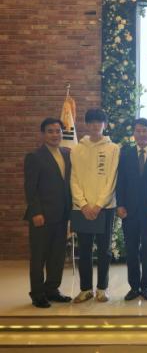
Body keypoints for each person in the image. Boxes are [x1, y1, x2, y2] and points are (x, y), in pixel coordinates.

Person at [70, 108, 120, 303]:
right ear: (86, 124)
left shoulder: (113, 148)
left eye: (99, 122)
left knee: (104, 250)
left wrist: (99, 204)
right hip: (82, 208)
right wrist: (83, 204)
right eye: (91, 122)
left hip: (105, 208)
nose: (95, 126)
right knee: (84, 250)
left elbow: (112, 179)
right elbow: (74, 178)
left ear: (104, 125)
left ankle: (102, 288)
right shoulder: (77, 149)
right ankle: (85, 289)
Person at [23, 117, 73, 308]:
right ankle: (37, 294)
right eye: (50, 131)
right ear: (43, 134)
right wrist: (36, 212)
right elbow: (30, 187)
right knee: (39, 257)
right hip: (42, 216)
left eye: (58, 131)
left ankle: (52, 289)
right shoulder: (34, 157)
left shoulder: (67, 154)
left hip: (62, 215)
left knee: (57, 256)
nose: (55, 135)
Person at [116, 118, 147, 301]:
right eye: (138, 131)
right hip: (129, 211)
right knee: (131, 250)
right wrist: (120, 204)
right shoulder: (125, 154)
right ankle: (134, 287)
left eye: (145, 130)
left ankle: (146, 287)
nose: (141, 134)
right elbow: (120, 182)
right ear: (133, 133)